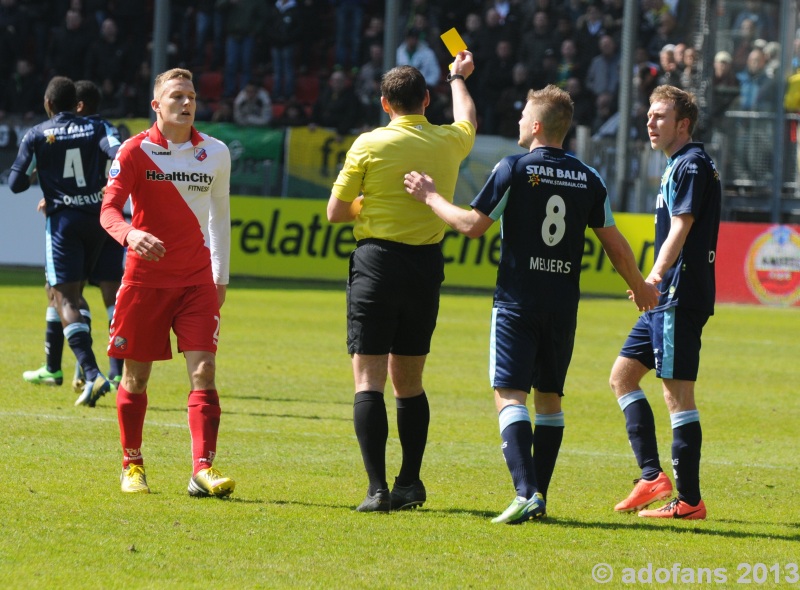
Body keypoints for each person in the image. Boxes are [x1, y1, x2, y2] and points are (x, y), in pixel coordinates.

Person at [403, 84, 658, 524]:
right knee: (551, 401)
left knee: (508, 395)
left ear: (537, 126)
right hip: (563, 307)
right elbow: (615, 246)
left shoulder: (514, 169)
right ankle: (538, 494)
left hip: (518, 302)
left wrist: (429, 196)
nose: (519, 121)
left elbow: (471, 225)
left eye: (523, 115)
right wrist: (639, 286)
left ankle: (525, 492)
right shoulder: (589, 178)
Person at [326, 53, 478, 512]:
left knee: (368, 380)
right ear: (427, 99)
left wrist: (368, 203)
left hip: (376, 264)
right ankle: (410, 482)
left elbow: (336, 212)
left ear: (384, 104)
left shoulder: (369, 145)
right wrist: (458, 77)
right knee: (409, 382)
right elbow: (467, 117)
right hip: (425, 266)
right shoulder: (450, 141)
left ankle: (377, 489)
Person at [100, 68, 235, 498]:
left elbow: (219, 217)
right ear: (156, 105)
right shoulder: (134, 151)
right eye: (176, 96)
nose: (186, 103)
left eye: (191, 96)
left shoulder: (215, 153)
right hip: (145, 282)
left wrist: (220, 276)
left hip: (196, 282)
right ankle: (132, 463)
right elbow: (108, 211)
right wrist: (130, 234)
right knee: (136, 378)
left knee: (205, 371)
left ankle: (203, 469)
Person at [610, 85, 721, 520]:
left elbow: (682, 225)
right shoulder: (679, 164)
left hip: (676, 295)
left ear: (683, 124)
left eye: (660, 117)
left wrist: (652, 276)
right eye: (650, 115)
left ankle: (690, 501)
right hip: (665, 298)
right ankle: (652, 477)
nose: (650, 122)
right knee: (622, 377)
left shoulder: (691, 164)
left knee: (677, 396)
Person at [9, 76, 120, 405]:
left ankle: (91, 373)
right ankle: (69, 370)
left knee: (64, 297)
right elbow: (119, 153)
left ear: (48, 104)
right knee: (76, 294)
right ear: (77, 105)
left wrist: (41, 171)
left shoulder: (37, 134)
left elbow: (15, 183)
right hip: (98, 219)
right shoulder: (97, 129)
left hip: (63, 224)